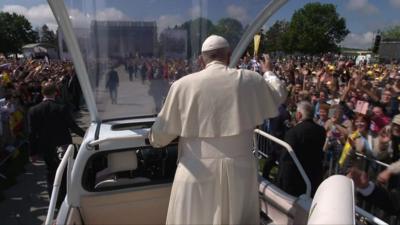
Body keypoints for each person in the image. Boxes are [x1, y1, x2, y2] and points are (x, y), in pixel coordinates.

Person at [148, 35, 286, 225]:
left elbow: (160, 136)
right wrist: (268, 72)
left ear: (201, 59)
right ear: (229, 57)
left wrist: (152, 139)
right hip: (240, 173)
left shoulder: (182, 85)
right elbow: (278, 94)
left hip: (196, 173)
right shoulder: (250, 80)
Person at [28, 81, 85, 205]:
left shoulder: (33, 110)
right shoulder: (61, 108)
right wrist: (86, 136)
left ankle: (54, 201)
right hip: (62, 145)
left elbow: (32, 134)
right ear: (56, 92)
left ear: (42, 93)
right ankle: (65, 200)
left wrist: (32, 153)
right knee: (64, 172)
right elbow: (73, 126)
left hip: (46, 147)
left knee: (51, 173)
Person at [277, 101, 326, 197]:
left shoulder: (293, 133)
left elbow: (287, 159)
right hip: (313, 178)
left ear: (299, 115)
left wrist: (281, 181)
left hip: (294, 181)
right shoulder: (321, 131)